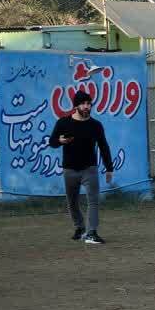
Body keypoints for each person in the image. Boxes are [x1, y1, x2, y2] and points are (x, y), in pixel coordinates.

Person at [48, 90, 114, 245]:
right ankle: (79, 228)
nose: (86, 106)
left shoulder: (95, 125)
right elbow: (52, 142)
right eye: (83, 103)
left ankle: (91, 232)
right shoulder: (63, 122)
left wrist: (109, 168)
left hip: (89, 169)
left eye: (89, 104)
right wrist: (60, 141)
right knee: (72, 202)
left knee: (93, 201)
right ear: (76, 106)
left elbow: (104, 146)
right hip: (69, 169)